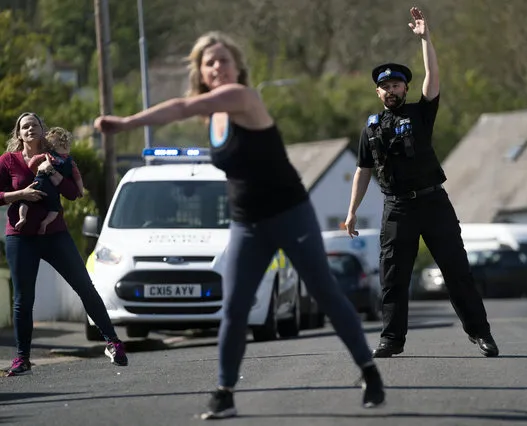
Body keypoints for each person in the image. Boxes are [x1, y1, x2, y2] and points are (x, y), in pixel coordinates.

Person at [93, 31, 385, 418]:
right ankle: (224, 391)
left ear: (237, 66)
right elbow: (195, 116)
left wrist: (126, 122)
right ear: (200, 71)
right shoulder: (213, 114)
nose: (217, 67)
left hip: (290, 213)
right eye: (209, 62)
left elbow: (180, 105)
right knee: (233, 308)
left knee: (326, 293)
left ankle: (369, 372)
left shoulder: (243, 97)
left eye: (223, 59)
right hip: (248, 223)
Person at [344, 7, 499, 359]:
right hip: (397, 208)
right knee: (393, 278)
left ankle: (481, 333)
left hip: (433, 203)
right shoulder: (371, 128)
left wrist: (426, 38)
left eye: (396, 84)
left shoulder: (420, 112)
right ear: (378, 92)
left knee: (457, 271)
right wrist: (352, 212)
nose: (391, 90)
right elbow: (362, 170)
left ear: (406, 87)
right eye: (385, 86)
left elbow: (433, 76)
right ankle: (391, 340)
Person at [0, 112, 128, 377]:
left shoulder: (55, 157)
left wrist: (52, 173)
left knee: (85, 286)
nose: (30, 129)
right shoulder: (7, 161)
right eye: (25, 127)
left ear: (42, 129)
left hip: (55, 234)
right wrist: (20, 195)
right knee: (23, 299)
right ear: (18, 134)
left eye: (34, 125)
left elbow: (72, 193)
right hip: (21, 237)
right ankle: (22, 358)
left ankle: (113, 342)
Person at [16, 126, 84, 234]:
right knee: (54, 209)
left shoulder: (46, 155)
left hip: (39, 183)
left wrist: (34, 169)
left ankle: (22, 217)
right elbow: (77, 177)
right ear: (66, 146)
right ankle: (45, 223)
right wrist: (81, 190)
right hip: (52, 190)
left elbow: (31, 164)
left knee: (24, 201)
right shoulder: (70, 162)